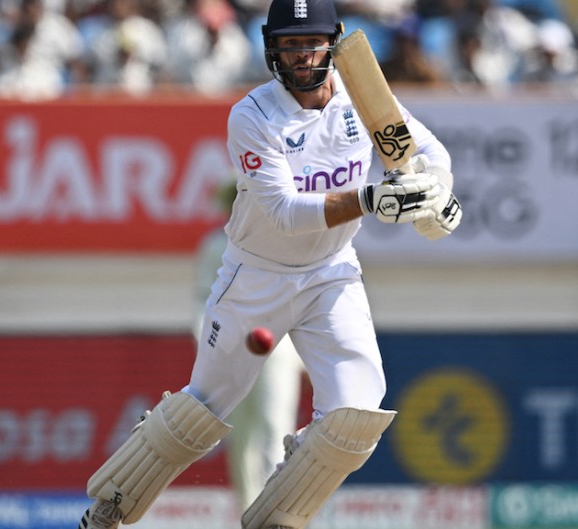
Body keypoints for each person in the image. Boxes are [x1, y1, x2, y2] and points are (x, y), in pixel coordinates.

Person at [78, 0, 461, 528]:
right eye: (289, 45)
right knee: (205, 406)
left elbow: (428, 152)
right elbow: (284, 212)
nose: (301, 56)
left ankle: (276, 517)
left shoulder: (362, 96)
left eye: (311, 44)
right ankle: (112, 503)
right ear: (271, 49)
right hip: (257, 275)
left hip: (331, 272)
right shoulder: (253, 115)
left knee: (356, 413)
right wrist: (369, 199)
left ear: (333, 42)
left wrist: (436, 189)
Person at [191, 180, 305, 510]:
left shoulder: (284, 241)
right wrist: (210, 348)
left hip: (277, 348)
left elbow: (302, 299)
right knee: (240, 436)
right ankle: (248, 512)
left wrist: (307, 351)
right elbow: (203, 302)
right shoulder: (216, 245)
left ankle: (273, 509)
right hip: (231, 353)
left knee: (276, 425)